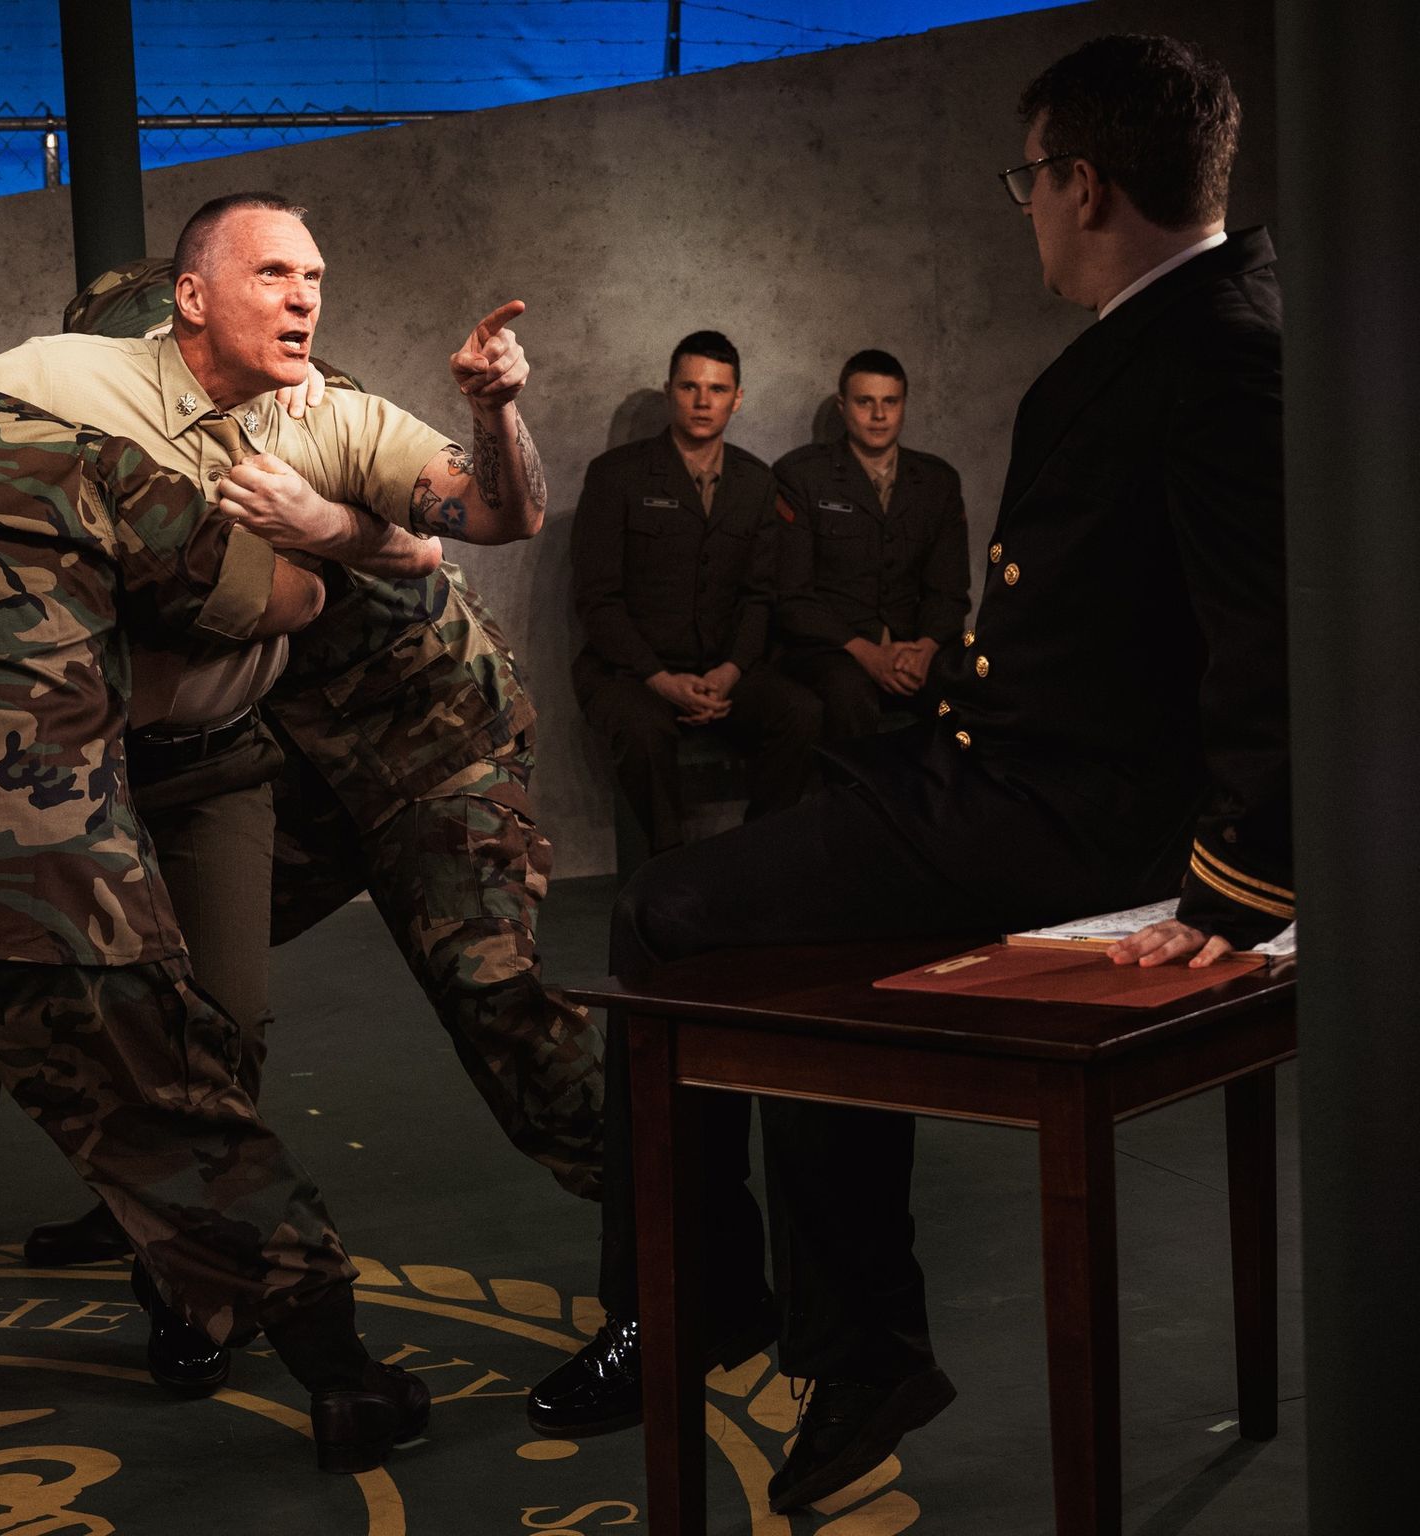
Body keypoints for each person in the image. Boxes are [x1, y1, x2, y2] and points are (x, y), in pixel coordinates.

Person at [527, 34, 1291, 1515]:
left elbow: (1276, 628)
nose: (1025, 211)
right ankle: (851, 1337)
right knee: (798, 931)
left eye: (1028, 180)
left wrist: (1241, 879)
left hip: (1063, 821)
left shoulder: (1213, 351)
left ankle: (694, 1312)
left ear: (1082, 181)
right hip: (1025, 779)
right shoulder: (1208, 319)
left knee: (663, 913)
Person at [0, 197, 603, 1375]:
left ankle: (209, 1281)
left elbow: (480, 520)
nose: (303, 297)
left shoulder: (339, 419)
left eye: (310, 275)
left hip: (361, 757)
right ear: (178, 315)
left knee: (286, 1017)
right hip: (118, 770)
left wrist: (362, 516)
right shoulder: (68, 389)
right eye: (272, 274)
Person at [571, 330, 820, 854]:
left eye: (717, 389)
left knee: (800, 712)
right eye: (689, 388)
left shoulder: (757, 482)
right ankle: (671, 876)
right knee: (641, 733)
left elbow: (760, 595)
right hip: (632, 672)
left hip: (722, 670)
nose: (703, 401)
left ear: (738, 398)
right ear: (669, 392)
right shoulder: (617, 476)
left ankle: (757, 859)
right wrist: (661, 681)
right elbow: (598, 600)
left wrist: (728, 675)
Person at [771, 351, 970, 739]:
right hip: (831, 649)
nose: (879, 415)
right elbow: (792, 596)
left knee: (967, 691)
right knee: (850, 698)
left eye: (890, 402)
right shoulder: (801, 476)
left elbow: (949, 590)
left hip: (913, 647)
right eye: (865, 402)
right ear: (844, 407)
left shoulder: (937, 482)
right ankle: (854, 800)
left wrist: (925, 650)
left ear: (903, 406)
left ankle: (940, 799)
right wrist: (868, 654)